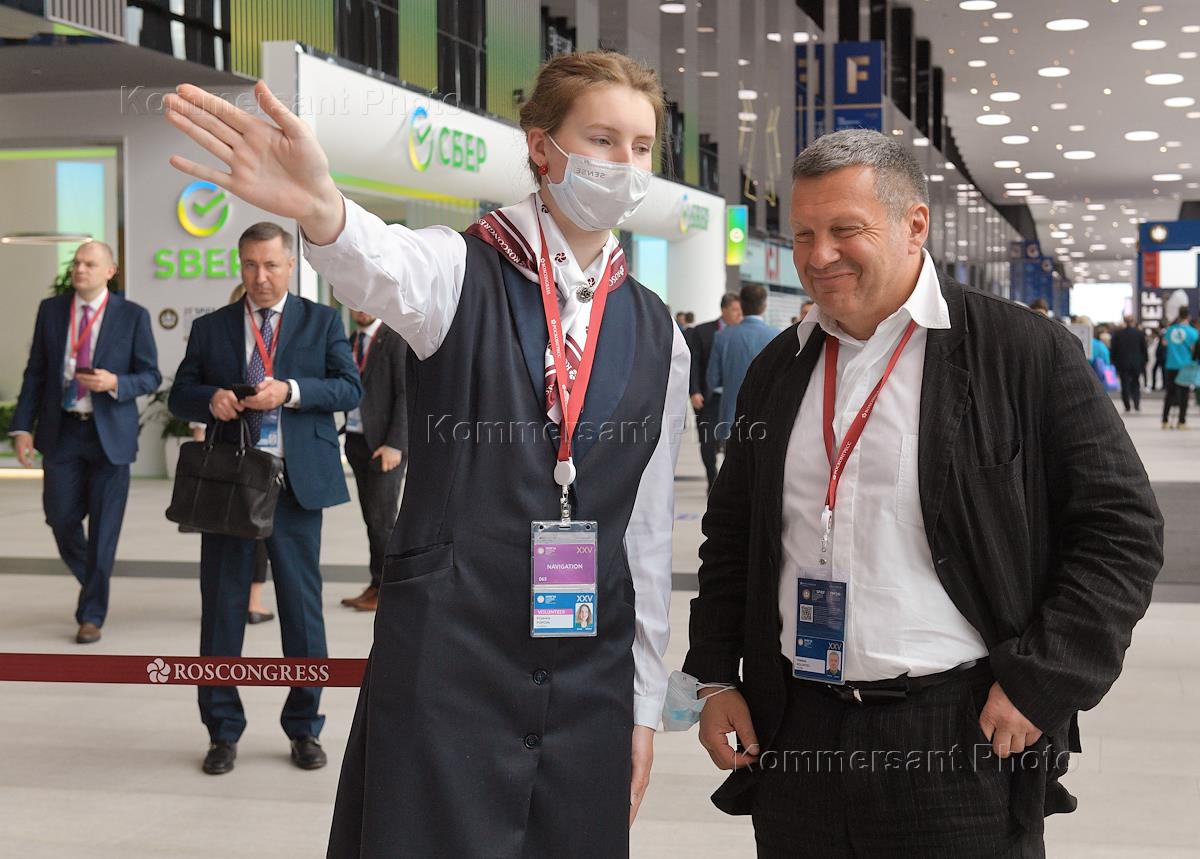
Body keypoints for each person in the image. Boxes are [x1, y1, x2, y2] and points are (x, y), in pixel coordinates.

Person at [164, 49, 687, 855]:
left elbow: (646, 534)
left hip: (590, 669)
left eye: (641, 146)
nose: (624, 163)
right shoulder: (458, 268)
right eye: (602, 139)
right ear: (542, 147)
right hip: (450, 655)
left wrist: (644, 704)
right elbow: (379, 263)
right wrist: (323, 209)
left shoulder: (658, 333)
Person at [684, 129, 1163, 856]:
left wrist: (1044, 680)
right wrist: (716, 676)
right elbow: (733, 535)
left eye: (845, 229)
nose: (818, 255)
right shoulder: (780, 367)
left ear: (915, 225)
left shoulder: (1020, 352)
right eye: (804, 233)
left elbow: (1121, 529)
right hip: (796, 732)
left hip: (958, 734)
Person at [168, 221, 362, 776]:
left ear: (291, 265)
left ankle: (304, 728)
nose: (260, 277)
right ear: (241, 265)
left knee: (302, 611)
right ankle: (222, 731)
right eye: (251, 265)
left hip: (295, 485)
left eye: (271, 265)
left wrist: (292, 391)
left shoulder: (321, 321)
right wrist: (212, 399)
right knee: (222, 608)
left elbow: (350, 387)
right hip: (231, 483)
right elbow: (180, 394)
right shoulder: (211, 329)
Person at [10, 240, 161, 644]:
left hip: (110, 435)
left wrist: (115, 382)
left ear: (110, 271)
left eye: (90, 264)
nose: (80, 269)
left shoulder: (132, 316)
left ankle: (91, 613)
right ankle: (96, 580)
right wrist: (22, 427)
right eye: (77, 263)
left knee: (105, 529)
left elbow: (150, 376)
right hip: (62, 431)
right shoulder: (52, 310)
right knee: (59, 518)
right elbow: (35, 372)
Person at [340, 309, 409, 612]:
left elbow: (406, 394)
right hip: (357, 441)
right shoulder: (351, 341)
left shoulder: (395, 339)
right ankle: (376, 583)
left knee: (383, 521)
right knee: (372, 518)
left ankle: (389, 590)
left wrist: (395, 444)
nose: (360, 308)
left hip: (385, 446)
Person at [226, 283, 274, 624]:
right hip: (239, 449)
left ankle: (251, 599)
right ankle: (249, 600)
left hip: (272, 450)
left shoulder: (278, 337)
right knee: (246, 527)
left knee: (256, 527)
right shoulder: (224, 338)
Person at [707, 283, 780, 441]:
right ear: (764, 306)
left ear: (741, 305)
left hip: (731, 418)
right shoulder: (778, 336)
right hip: (768, 418)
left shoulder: (722, 336)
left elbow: (713, 380)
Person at [686, 292, 742, 489]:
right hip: (709, 398)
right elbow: (693, 363)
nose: (739, 314)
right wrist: (694, 390)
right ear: (723, 310)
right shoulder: (702, 332)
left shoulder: (743, 333)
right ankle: (712, 477)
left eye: (741, 310)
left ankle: (727, 483)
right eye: (735, 309)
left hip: (734, 399)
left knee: (734, 443)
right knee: (707, 442)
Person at [1160, 309, 1198, 429]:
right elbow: (1195, 348)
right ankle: (1182, 421)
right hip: (1186, 366)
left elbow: (1164, 343)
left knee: (1170, 393)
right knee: (1184, 394)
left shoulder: (1170, 330)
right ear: (1188, 316)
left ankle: (1165, 421)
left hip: (1171, 364)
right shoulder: (1193, 332)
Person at [1110, 314, 1149, 413]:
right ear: (1133, 322)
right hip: (1136, 362)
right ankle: (1136, 403)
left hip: (1122, 362)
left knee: (1124, 383)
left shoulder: (1118, 334)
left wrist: (1113, 361)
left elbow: (1114, 349)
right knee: (1136, 382)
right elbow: (1144, 349)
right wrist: (1145, 360)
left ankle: (1127, 405)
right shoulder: (1139, 334)